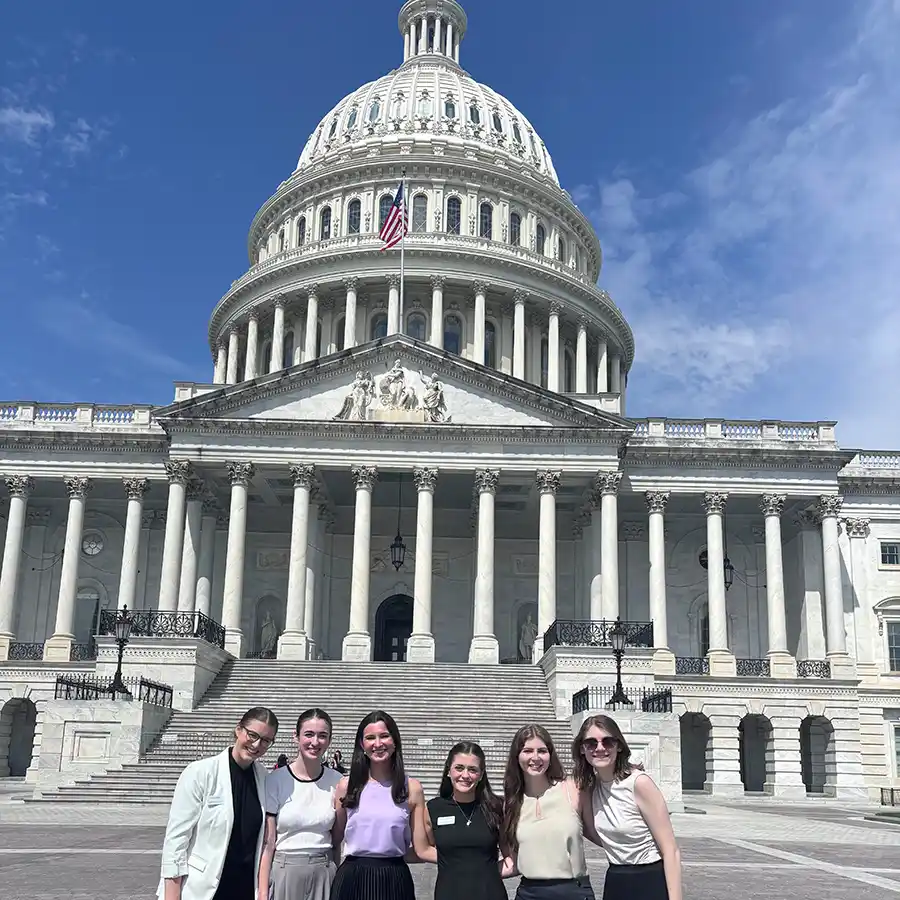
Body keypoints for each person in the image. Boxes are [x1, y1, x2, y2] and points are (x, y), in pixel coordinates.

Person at [159, 707, 279, 900]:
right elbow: (176, 841)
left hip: (245, 888)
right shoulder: (200, 772)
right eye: (252, 735)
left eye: (266, 740)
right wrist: (172, 896)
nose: (257, 744)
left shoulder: (265, 778)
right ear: (239, 730)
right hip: (203, 889)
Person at [573, 715, 681, 900]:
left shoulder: (639, 783)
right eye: (591, 743)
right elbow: (595, 834)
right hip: (616, 879)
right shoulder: (591, 788)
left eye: (608, 742)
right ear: (582, 749)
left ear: (619, 746)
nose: (600, 748)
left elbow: (671, 850)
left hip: (649, 879)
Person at [330, 710, 426, 900]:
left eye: (384, 736)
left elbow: (422, 848)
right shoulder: (347, 786)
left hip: (394, 877)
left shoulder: (412, 788)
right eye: (370, 738)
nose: (378, 744)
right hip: (353, 877)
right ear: (361, 744)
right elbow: (334, 840)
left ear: (395, 740)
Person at [501, 724, 595, 900]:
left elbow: (599, 833)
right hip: (530, 893)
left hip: (573, 891)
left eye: (542, 751)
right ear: (517, 756)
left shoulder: (573, 789)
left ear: (550, 755)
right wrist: (471, 873)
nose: (535, 757)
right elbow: (512, 862)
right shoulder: (511, 803)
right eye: (527, 751)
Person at [258, 709, 342, 900]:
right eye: (309, 734)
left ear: (329, 740)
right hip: (285, 870)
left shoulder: (337, 782)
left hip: (324, 870)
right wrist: (263, 892)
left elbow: (337, 841)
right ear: (295, 737)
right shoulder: (275, 780)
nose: (315, 742)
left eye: (322, 736)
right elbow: (268, 844)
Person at [420, 741, 508, 900]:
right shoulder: (433, 808)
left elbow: (510, 856)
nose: (465, 775)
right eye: (459, 768)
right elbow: (425, 848)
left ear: (481, 775)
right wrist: (456, 860)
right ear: (449, 771)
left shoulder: (496, 807)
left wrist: (487, 871)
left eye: (473, 770)